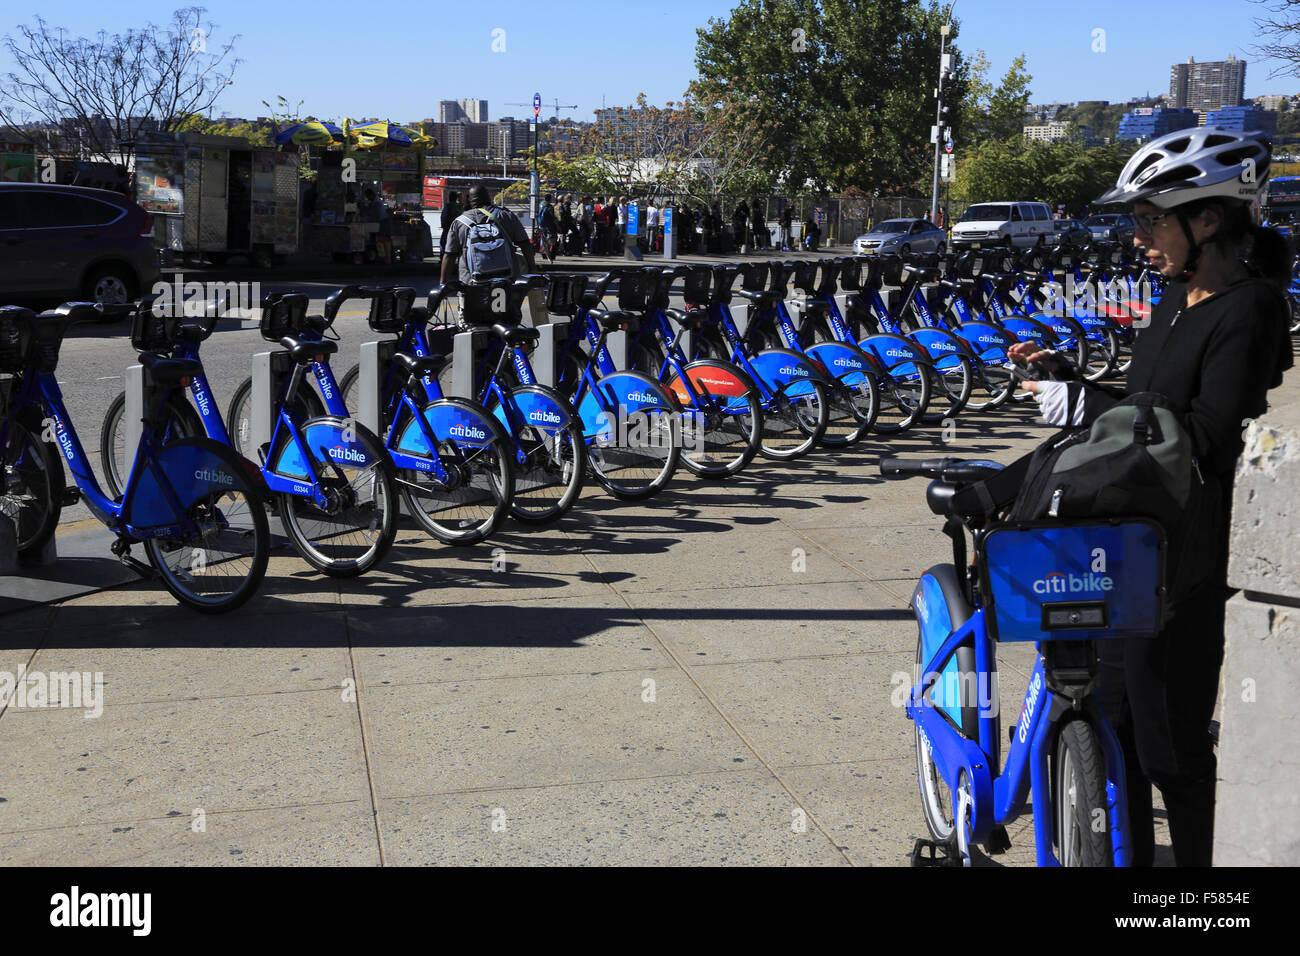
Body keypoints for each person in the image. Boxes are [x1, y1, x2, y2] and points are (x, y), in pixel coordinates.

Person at [1010, 127, 1292, 867]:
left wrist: (1092, 412)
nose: (1138, 237)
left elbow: (1200, 435)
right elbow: (1141, 406)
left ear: (1208, 219)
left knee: (1172, 745)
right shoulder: (1173, 298)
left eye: (1149, 219)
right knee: (1112, 730)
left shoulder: (1249, 308)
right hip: (1125, 541)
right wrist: (1071, 382)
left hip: (1185, 555)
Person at [440, 183, 537, 316]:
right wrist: (532, 267)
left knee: (471, 323)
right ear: (489, 198)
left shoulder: (459, 222)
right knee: (503, 319)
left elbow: (449, 255)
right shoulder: (505, 215)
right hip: (504, 282)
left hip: (471, 285)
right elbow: (525, 244)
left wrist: (443, 284)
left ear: (470, 200)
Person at [439, 191, 462, 266]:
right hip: (458, 229)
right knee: (458, 245)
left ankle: (443, 259)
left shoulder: (448, 206)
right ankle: (459, 260)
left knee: (444, 244)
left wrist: (443, 225)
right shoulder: (460, 207)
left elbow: (444, 217)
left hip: (448, 229)